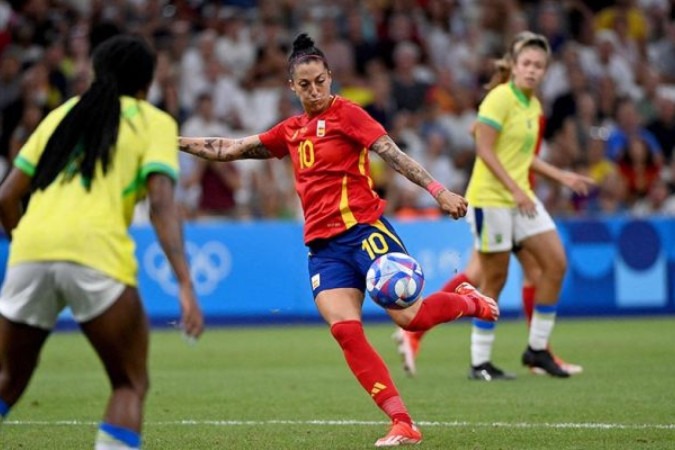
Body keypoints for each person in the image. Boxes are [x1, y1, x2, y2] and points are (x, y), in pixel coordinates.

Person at [178, 33, 499, 447]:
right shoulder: (290, 131)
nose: (313, 91)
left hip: (365, 231)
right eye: (304, 85)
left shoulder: (349, 115)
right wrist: (172, 142)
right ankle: (403, 422)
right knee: (346, 332)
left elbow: (393, 155)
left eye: (319, 81)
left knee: (409, 318)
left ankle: (470, 301)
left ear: (330, 77)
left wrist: (440, 192)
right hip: (324, 249)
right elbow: (227, 148)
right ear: (292, 87)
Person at [0, 35, 204, 449]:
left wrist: (30, 243)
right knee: (129, 382)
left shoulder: (62, 114)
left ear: (97, 73)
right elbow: (162, 205)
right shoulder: (154, 121)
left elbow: (5, 196)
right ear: (146, 84)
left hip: (30, 249)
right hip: (96, 253)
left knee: (9, 380)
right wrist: (184, 282)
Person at [393, 246, 584, 378]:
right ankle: (417, 331)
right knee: (490, 276)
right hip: (498, 203)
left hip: (505, 204)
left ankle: (540, 351)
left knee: (528, 271)